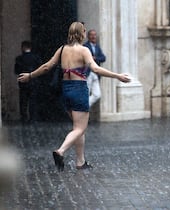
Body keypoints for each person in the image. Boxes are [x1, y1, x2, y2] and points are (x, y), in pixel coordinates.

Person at [18, 22, 131, 171]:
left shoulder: (62, 49)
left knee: (78, 127)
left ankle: (80, 161)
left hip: (66, 91)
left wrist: (30, 75)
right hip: (79, 90)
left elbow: (47, 66)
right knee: (80, 128)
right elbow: (96, 68)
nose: (85, 33)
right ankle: (61, 151)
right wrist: (117, 76)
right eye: (84, 31)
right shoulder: (84, 50)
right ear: (81, 33)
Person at [14, 40, 42, 123]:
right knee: (33, 101)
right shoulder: (36, 58)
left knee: (23, 101)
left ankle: (24, 117)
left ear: (23, 47)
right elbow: (40, 69)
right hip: (33, 81)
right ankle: (33, 118)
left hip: (23, 82)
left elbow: (16, 71)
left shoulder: (19, 58)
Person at [84, 29, 106, 106]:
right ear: (88, 36)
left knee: (97, 94)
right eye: (91, 35)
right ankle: (83, 112)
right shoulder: (85, 47)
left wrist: (95, 58)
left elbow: (103, 58)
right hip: (88, 73)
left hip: (96, 73)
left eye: (94, 35)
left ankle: (85, 106)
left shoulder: (97, 47)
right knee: (85, 94)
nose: (93, 37)